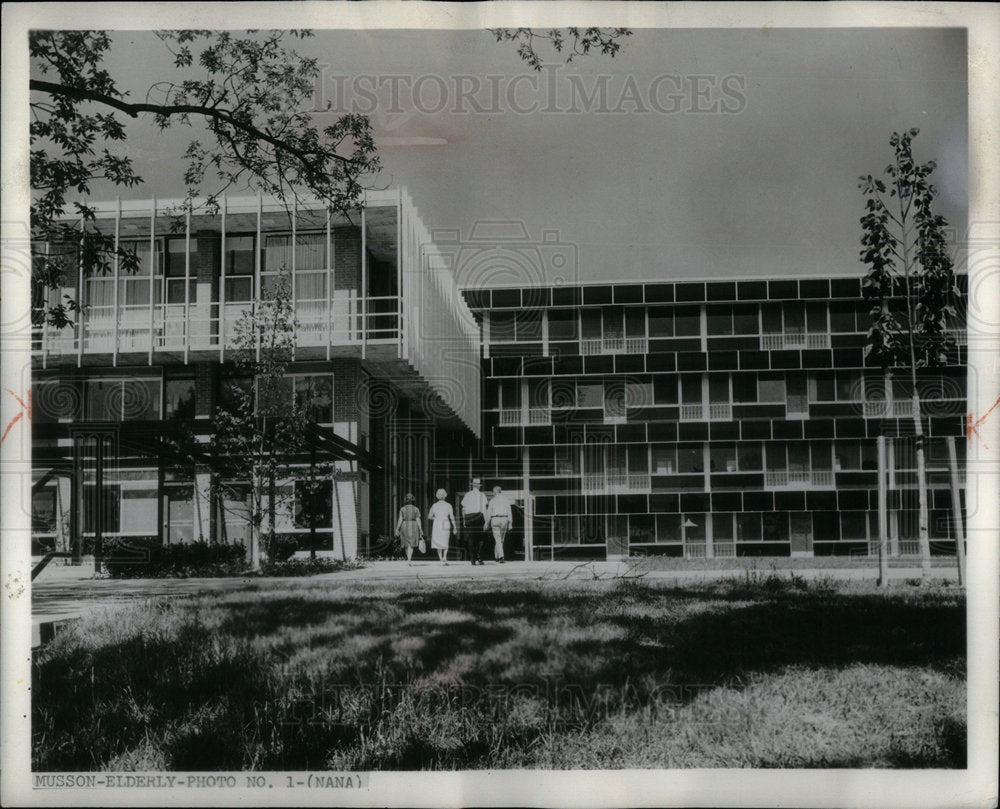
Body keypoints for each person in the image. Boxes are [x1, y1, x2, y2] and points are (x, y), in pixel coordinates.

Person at [460, 477, 489, 565]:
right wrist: (486, 521)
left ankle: (472, 559)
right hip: (478, 516)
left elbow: (463, 509)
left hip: (469, 517)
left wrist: (464, 520)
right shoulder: (482, 495)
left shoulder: (467, 495)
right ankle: (479, 558)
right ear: (479, 486)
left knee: (471, 539)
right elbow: (484, 509)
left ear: (473, 486)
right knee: (481, 538)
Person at [427, 488, 456, 565]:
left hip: (437, 522)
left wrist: (436, 518)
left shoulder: (434, 505)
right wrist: (455, 527)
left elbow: (429, 516)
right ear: (445, 496)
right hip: (445, 521)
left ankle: (440, 558)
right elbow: (452, 516)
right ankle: (445, 557)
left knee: (438, 540)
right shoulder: (448, 505)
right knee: (445, 540)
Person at [485, 485, 513, 563]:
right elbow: (509, 511)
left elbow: (489, 512)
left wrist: (487, 523)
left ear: (495, 492)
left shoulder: (492, 501)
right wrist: (510, 523)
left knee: (498, 539)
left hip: (495, 519)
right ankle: (497, 556)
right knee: (501, 540)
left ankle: (500, 556)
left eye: (493, 492)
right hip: (504, 519)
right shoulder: (506, 500)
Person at [394, 493, 423, 566]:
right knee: (411, 543)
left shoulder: (402, 509)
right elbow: (418, 519)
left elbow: (400, 519)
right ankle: (409, 559)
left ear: (405, 500)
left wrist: (397, 528)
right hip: (413, 525)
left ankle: (408, 558)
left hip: (405, 525)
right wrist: (421, 529)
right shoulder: (416, 509)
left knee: (406, 543)